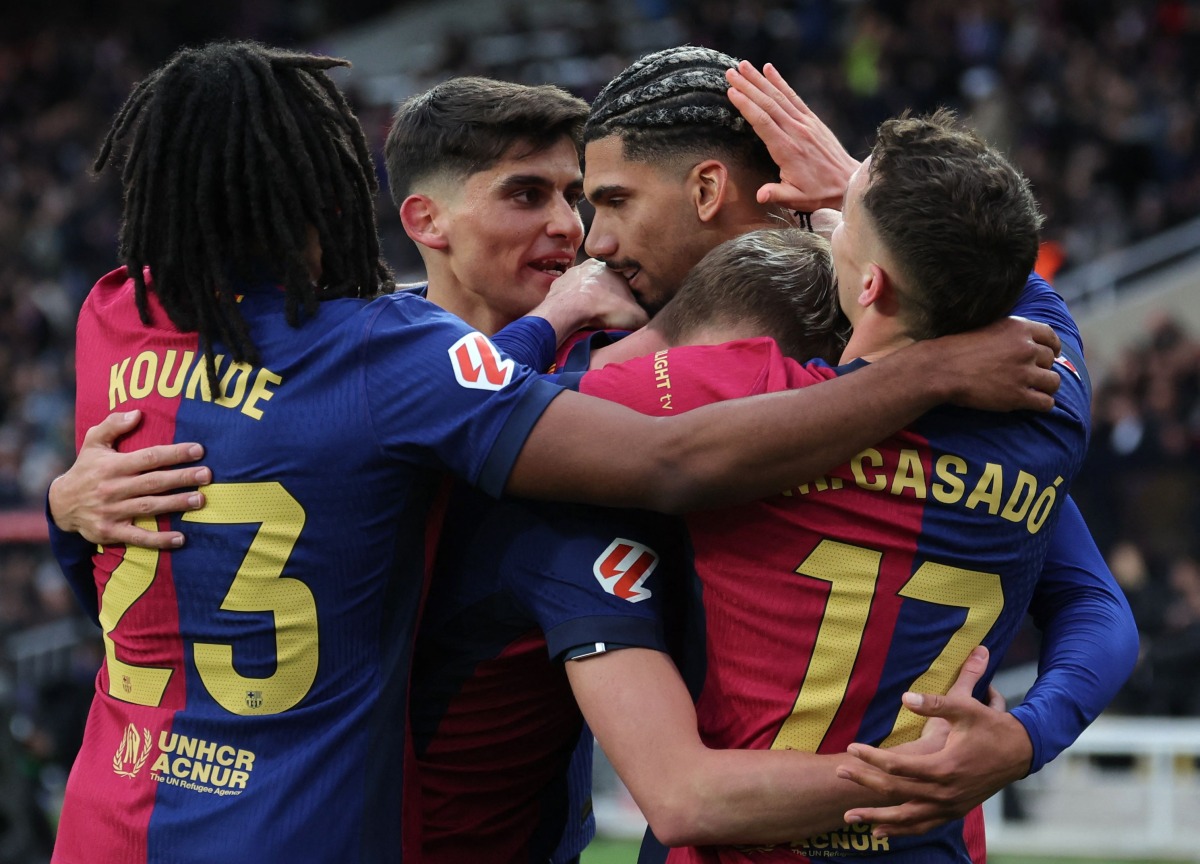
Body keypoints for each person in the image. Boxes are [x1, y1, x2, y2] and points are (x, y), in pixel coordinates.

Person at [47, 41, 1060, 864]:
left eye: (582, 198)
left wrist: (61, 511)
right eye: (529, 196)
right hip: (300, 833)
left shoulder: (118, 317)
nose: (574, 233)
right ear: (361, 207)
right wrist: (927, 371)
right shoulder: (395, 362)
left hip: (109, 816)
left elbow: (131, 563)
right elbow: (668, 462)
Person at [571, 70, 1103, 863]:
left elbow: (512, 411)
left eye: (845, 213)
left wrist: (565, 319)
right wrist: (1025, 737)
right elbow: (1097, 607)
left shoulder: (737, 392)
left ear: (870, 281)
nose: (823, 213)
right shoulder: (1048, 406)